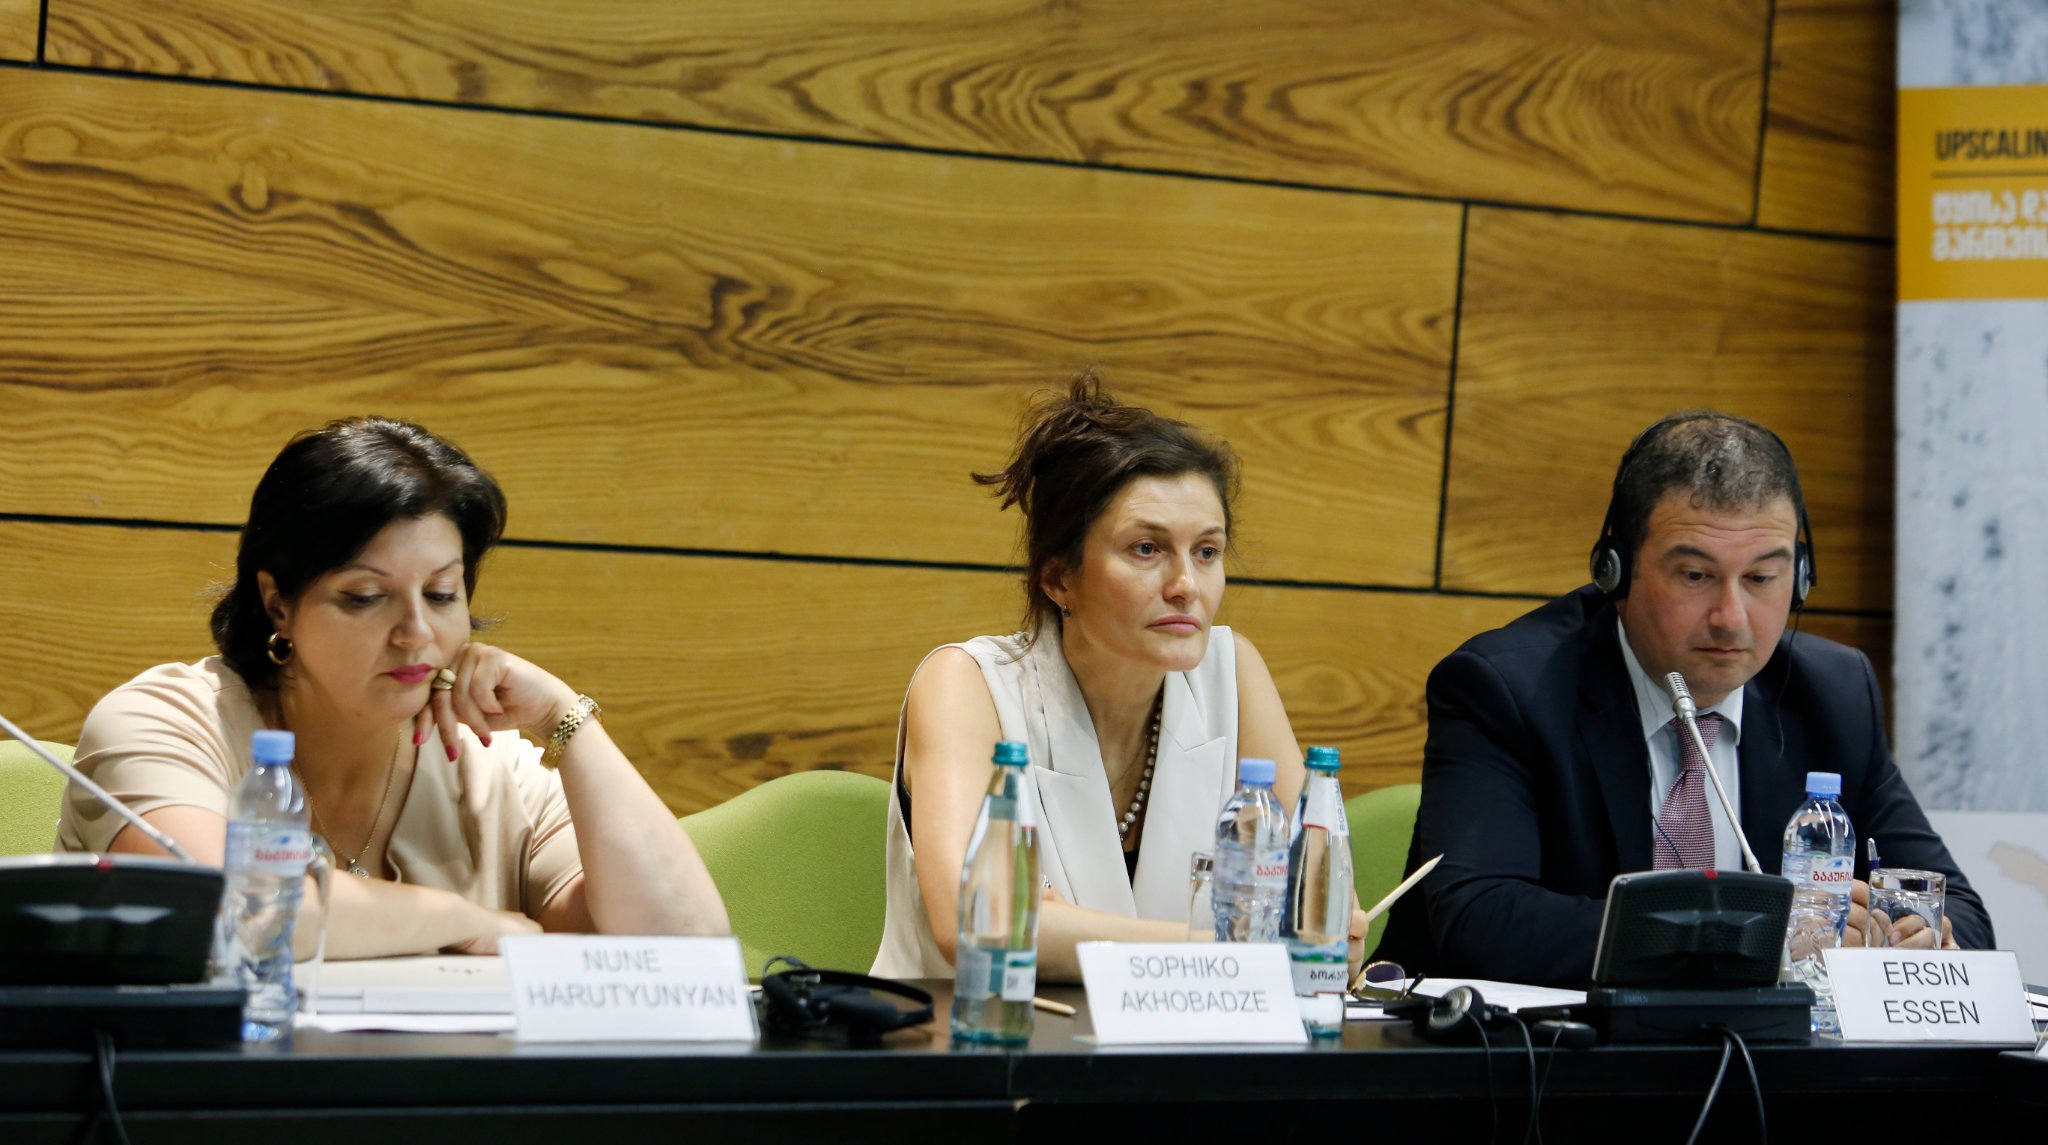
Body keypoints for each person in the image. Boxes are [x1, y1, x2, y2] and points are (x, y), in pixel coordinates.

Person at [57, 417, 729, 956]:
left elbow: (684, 952)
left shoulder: (497, 766)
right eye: (365, 596)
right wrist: (461, 919)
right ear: (279, 603)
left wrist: (564, 719)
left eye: (441, 593)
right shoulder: (163, 722)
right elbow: (228, 910)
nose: (416, 633)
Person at [1374, 411, 1992, 987]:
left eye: (1762, 578)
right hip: (1530, 1058)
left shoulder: (1833, 694)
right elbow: (1481, 919)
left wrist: (1915, 934)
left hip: (1763, 1061)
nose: (1732, 617)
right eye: (1696, 576)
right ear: (1615, 572)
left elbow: (1960, 910)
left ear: (1800, 579)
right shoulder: (1508, 688)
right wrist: (1753, 938)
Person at [873, 374, 1368, 982]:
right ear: (1059, 579)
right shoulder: (965, 683)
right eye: (1146, 549)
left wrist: (1332, 937)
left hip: (1170, 1038)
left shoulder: (1232, 669)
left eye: (1207, 552)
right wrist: (1224, 949)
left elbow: (1320, 914)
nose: (1186, 585)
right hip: (967, 1033)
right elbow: (976, 922)